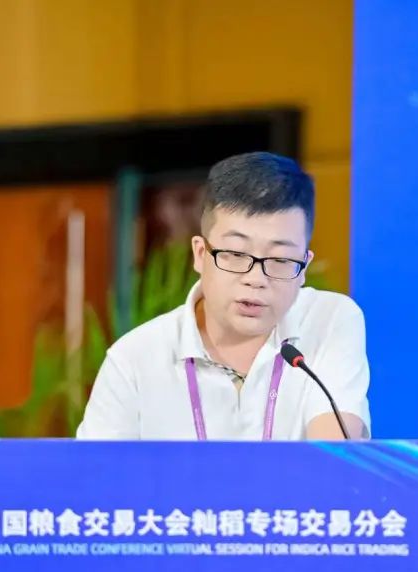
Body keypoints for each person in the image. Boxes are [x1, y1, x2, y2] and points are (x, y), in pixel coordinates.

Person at [76, 151, 370, 440]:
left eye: (280, 259)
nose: (256, 279)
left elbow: (333, 459)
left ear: (303, 266)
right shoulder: (133, 360)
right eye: (236, 254)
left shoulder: (328, 321)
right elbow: (95, 470)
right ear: (200, 254)